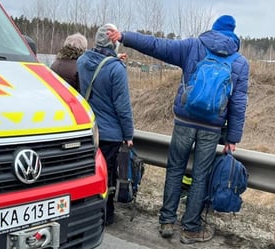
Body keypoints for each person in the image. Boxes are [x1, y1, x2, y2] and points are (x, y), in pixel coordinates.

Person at [108, 15, 249, 244]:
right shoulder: (240, 63)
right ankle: (191, 228)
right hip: (211, 127)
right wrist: (232, 137)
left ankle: (166, 221)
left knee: (175, 169)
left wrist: (125, 37)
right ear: (233, 33)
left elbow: (156, 46)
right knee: (200, 176)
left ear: (213, 29)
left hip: (184, 121)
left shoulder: (194, 46)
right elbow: (239, 102)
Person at [77, 23, 134, 226]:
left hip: (89, 130)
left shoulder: (82, 61)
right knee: (107, 175)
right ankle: (106, 215)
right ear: (114, 43)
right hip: (110, 133)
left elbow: (97, 71)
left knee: (89, 173)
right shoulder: (116, 69)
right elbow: (123, 106)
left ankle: (86, 213)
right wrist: (129, 134)